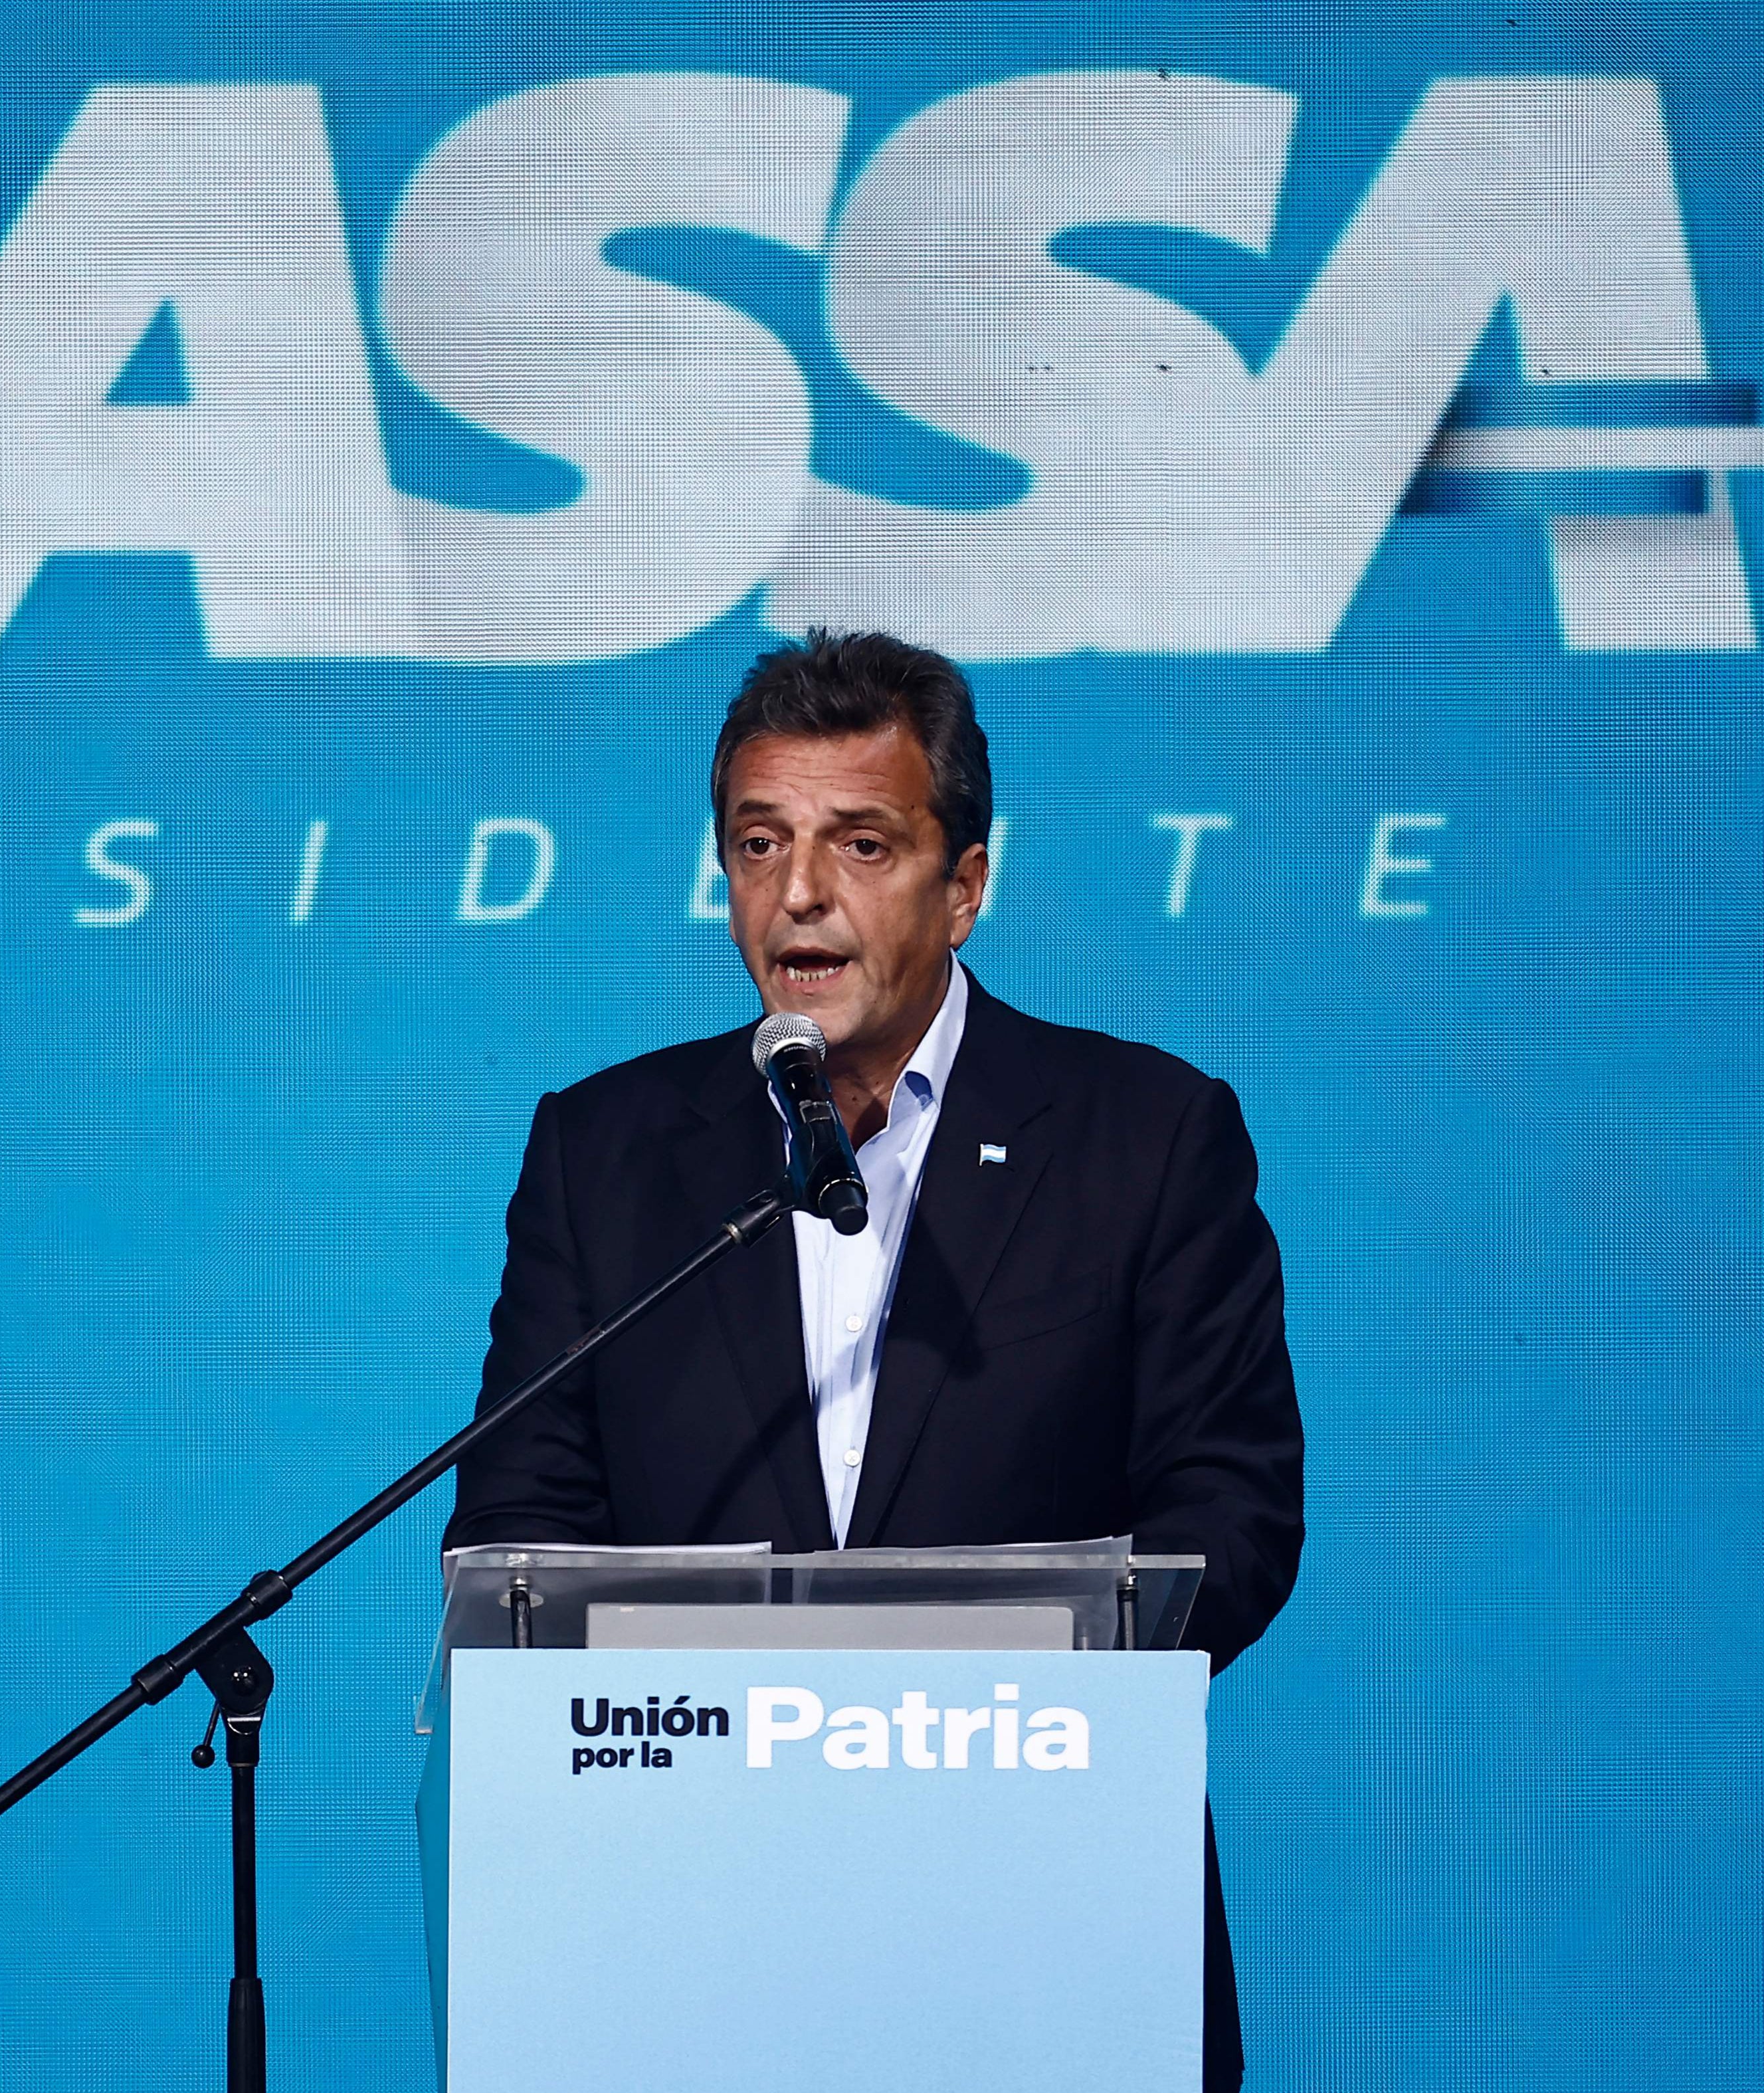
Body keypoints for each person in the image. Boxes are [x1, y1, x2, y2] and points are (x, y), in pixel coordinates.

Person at [444, 628, 1302, 2090]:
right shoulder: (606, 1153)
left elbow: (1228, 1517)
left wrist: (952, 1706)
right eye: (758, 842)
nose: (799, 894)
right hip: (682, 1916)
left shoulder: (1141, 1137)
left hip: (1047, 1905)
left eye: (861, 843)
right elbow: (521, 1521)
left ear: (963, 884)